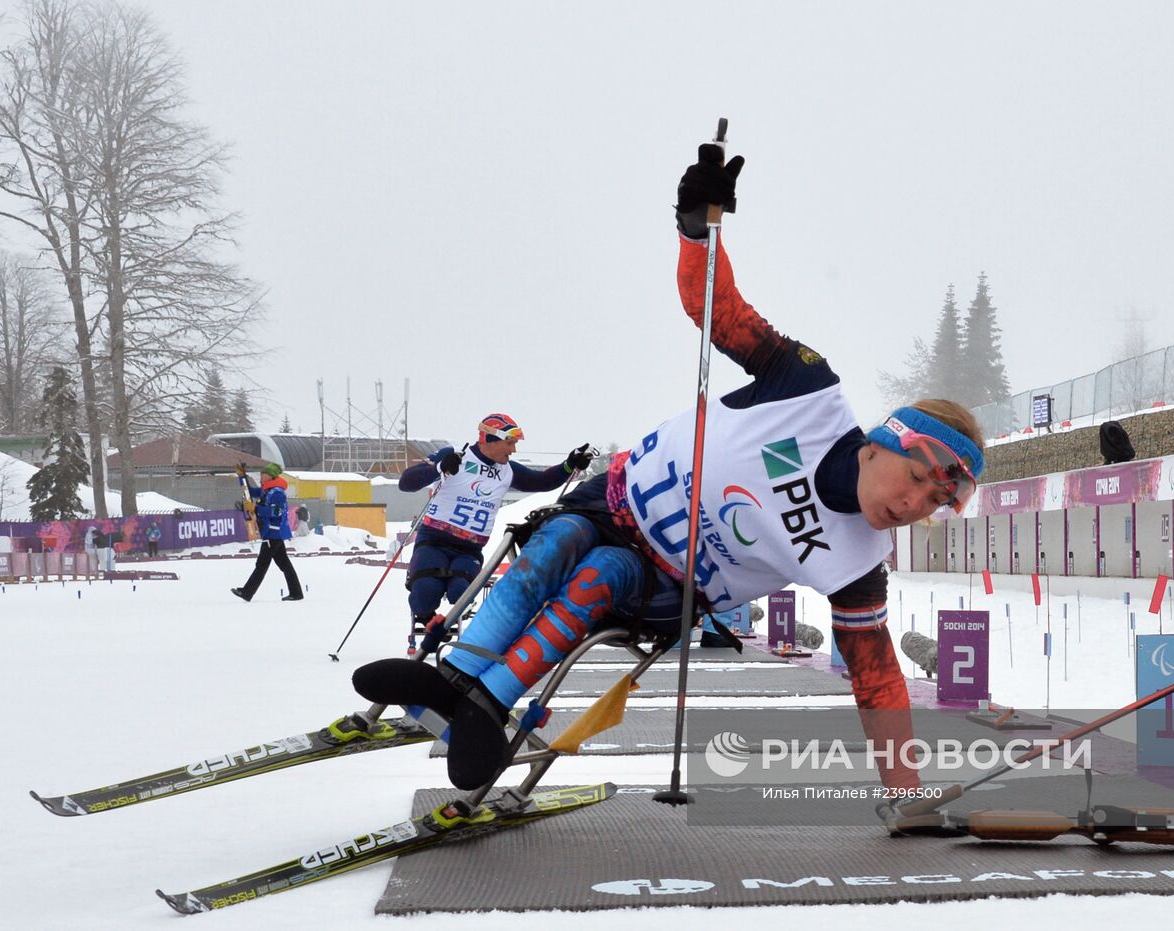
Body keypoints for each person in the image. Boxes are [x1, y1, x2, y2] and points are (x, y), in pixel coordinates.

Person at [352, 143, 986, 794]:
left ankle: (487, 704)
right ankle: (452, 677)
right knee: (556, 542)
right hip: (612, 499)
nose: (915, 505)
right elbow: (717, 309)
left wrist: (905, 790)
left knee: (597, 572)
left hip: (663, 584)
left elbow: (877, 676)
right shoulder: (809, 390)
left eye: (937, 502)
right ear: (885, 440)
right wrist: (694, 227)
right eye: (917, 478)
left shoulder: (858, 564)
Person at [393, 414, 594, 655]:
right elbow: (406, 483)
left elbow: (541, 481)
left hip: (469, 548)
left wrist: (570, 464)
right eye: (510, 443)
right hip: (434, 540)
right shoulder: (455, 456)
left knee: (459, 592)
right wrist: (438, 468)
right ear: (490, 439)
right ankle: (429, 620)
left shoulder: (507, 470)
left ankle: (446, 631)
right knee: (425, 594)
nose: (513, 449)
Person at [231, 462, 304, 602]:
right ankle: (296, 592)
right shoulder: (267, 490)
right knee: (284, 564)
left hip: (273, 532)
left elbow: (276, 512)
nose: (260, 477)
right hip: (272, 532)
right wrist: (242, 476)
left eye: (263, 475)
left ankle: (247, 592)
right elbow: (250, 492)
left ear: (270, 476)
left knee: (262, 564)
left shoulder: (277, 493)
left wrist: (255, 508)